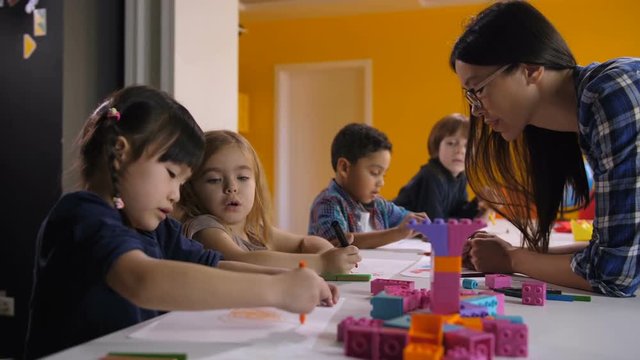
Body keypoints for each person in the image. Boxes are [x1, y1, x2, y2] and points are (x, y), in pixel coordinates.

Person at [25, 86, 337, 359]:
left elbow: (213, 264)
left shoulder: (158, 229)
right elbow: (142, 280)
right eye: (172, 175)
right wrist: (277, 290)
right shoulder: (82, 215)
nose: (176, 194)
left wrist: (294, 276)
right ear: (120, 153)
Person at [450, 0, 640, 296]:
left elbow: (615, 274)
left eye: (478, 89)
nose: (475, 111)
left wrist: (512, 259)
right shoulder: (589, 117)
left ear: (530, 70)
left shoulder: (614, 94)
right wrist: (512, 253)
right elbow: (615, 253)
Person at [179, 130, 361, 273]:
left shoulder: (252, 228)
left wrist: (328, 251)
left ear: (256, 184)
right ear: (191, 188)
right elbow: (239, 261)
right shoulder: (204, 228)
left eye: (242, 177)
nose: (231, 187)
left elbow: (304, 243)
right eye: (214, 179)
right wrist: (321, 263)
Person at [308, 123, 427, 249]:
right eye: (375, 173)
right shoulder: (328, 203)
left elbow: (406, 219)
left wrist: (420, 225)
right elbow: (338, 242)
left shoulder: (379, 205)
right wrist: (397, 233)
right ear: (344, 168)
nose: (381, 182)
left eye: (384, 175)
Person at [395, 113, 484, 219]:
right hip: (388, 226)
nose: (460, 150)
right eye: (451, 143)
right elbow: (434, 222)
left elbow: (458, 214)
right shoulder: (431, 176)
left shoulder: (461, 176)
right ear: (437, 147)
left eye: (467, 145)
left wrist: (479, 202)